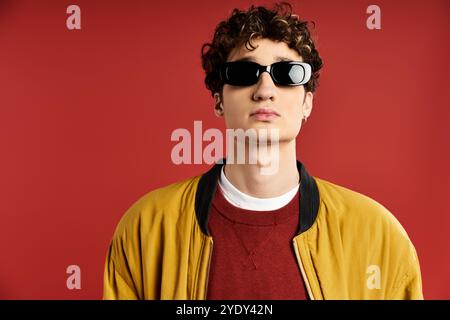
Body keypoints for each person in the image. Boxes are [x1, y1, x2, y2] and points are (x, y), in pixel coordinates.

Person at [103, 2, 423, 300]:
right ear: (218, 99)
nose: (265, 90)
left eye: (287, 75)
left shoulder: (377, 236)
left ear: (307, 101)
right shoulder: (147, 228)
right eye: (245, 74)